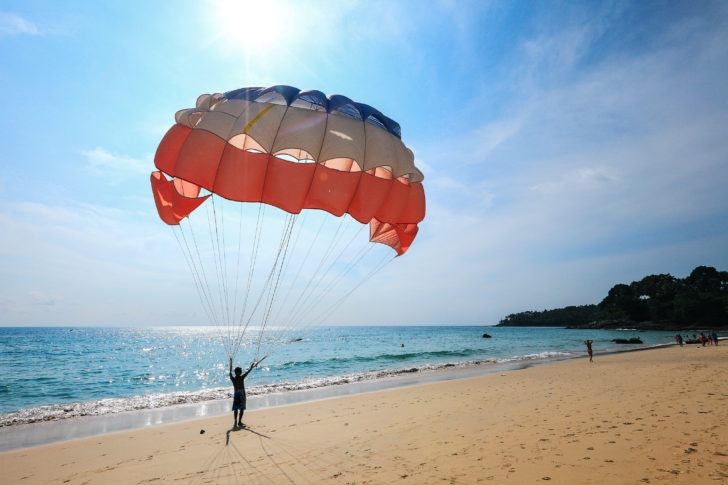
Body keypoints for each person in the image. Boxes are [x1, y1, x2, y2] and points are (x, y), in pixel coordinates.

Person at [229, 356, 266, 428]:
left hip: (237, 393)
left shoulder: (234, 378)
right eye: (240, 371)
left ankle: (236, 422)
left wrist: (230, 364)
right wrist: (251, 368)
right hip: (241, 394)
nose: (241, 372)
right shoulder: (240, 377)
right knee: (241, 408)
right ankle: (239, 422)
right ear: (238, 372)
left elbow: (230, 372)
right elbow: (247, 372)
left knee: (236, 408)